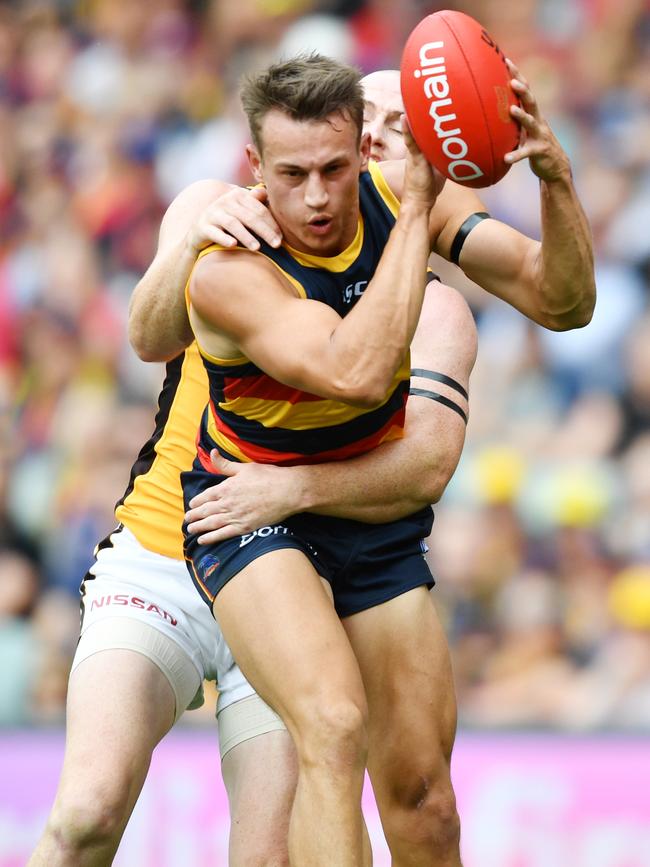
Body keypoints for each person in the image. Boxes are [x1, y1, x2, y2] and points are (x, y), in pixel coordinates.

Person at [129, 53, 593, 867]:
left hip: (359, 520)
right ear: (258, 169)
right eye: (294, 173)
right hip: (244, 516)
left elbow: (563, 302)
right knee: (333, 726)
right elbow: (356, 369)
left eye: (340, 165)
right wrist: (415, 203)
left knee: (426, 803)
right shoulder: (230, 262)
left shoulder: (412, 235)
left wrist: (555, 182)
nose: (317, 194)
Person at [29, 68, 476, 867]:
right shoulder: (222, 214)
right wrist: (202, 230)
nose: (373, 142)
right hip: (167, 548)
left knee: (271, 850)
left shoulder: (407, 274)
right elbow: (146, 335)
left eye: (385, 130)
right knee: (87, 813)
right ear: (263, 160)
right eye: (365, 120)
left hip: (282, 563)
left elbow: (422, 444)